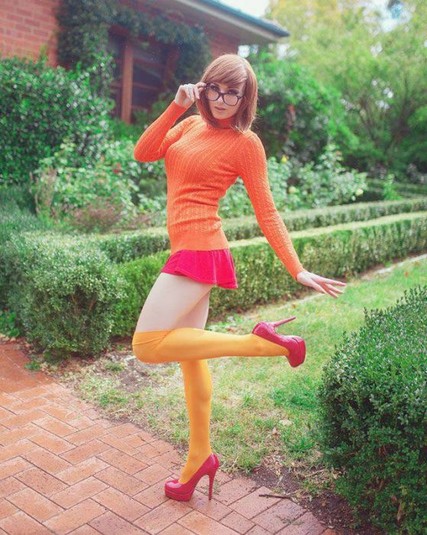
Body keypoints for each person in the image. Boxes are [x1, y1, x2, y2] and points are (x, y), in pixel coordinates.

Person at [131, 53, 346, 502]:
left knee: (146, 346)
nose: (222, 99)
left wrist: (297, 268)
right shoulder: (190, 125)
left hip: (200, 250)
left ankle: (263, 344)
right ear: (204, 86)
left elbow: (267, 210)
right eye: (216, 88)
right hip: (188, 248)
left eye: (234, 93)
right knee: (192, 359)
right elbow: (144, 152)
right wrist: (176, 106)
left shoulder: (246, 144)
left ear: (246, 99)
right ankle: (199, 458)